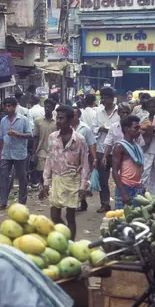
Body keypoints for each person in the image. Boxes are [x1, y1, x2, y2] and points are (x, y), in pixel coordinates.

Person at [41, 106, 90, 239]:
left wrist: (83, 186)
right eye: (57, 118)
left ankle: (71, 244)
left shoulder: (79, 140)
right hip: (56, 180)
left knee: (70, 217)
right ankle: (64, 237)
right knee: (55, 216)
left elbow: (85, 163)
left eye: (61, 118)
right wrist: (46, 182)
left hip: (73, 180)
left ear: (70, 119)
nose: (58, 121)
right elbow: (49, 160)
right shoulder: (52, 137)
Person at [0, 97, 32, 210]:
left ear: (15, 106)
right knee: (4, 177)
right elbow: (1, 138)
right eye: (5, 106)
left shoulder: (23, 120)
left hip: (19, 153)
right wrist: (1, 153)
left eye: (9, 106)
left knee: (22, 177)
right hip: (6, 153)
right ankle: (3, 201)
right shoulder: (3, 120)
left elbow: (30, 135)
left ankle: (22, 201)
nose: (7, 108)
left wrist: (17, 133)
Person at [92, 87, 120, 213]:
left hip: (118, 151)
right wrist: (100, 129)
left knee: (121, 176)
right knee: (103, 178)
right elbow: (92, 129)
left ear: (111, 98)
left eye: (105, 98)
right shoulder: (98, 113)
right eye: (101, 97)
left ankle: (121, 200)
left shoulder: (120, 112)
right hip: (102, 150)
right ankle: (105, 203)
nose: (103, 100)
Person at [112, 115, 145, 209]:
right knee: (124, 220)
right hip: (125, 187)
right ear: (126, 129)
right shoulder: (120, 147)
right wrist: (123, 194)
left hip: (137, 187)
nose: (139, 130)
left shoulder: (136, 146)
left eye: (139, 127)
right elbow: (114, 171)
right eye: (136, 128)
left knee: (137, 219)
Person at [71, 107, 97, 212]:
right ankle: (81, 202)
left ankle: (78, 203)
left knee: (80, 181)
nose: (72, 117)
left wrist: (94, 158)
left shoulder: (85, 128)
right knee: (72, 181)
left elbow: (91, 143)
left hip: (83, 159)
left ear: (78, 116)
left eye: (74, 115)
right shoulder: (66, 127)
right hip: (70, 160)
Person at [32, 98, 57, 186]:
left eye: (49, 107)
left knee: (53, 172)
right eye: (45, 107)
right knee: (42, 172)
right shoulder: (38, 121)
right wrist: (33, 153)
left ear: (53, 108)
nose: (47, 109)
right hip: (42, 150)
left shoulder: (57, 121)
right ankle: (43, 188)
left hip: (54, 151)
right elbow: (36, 137)